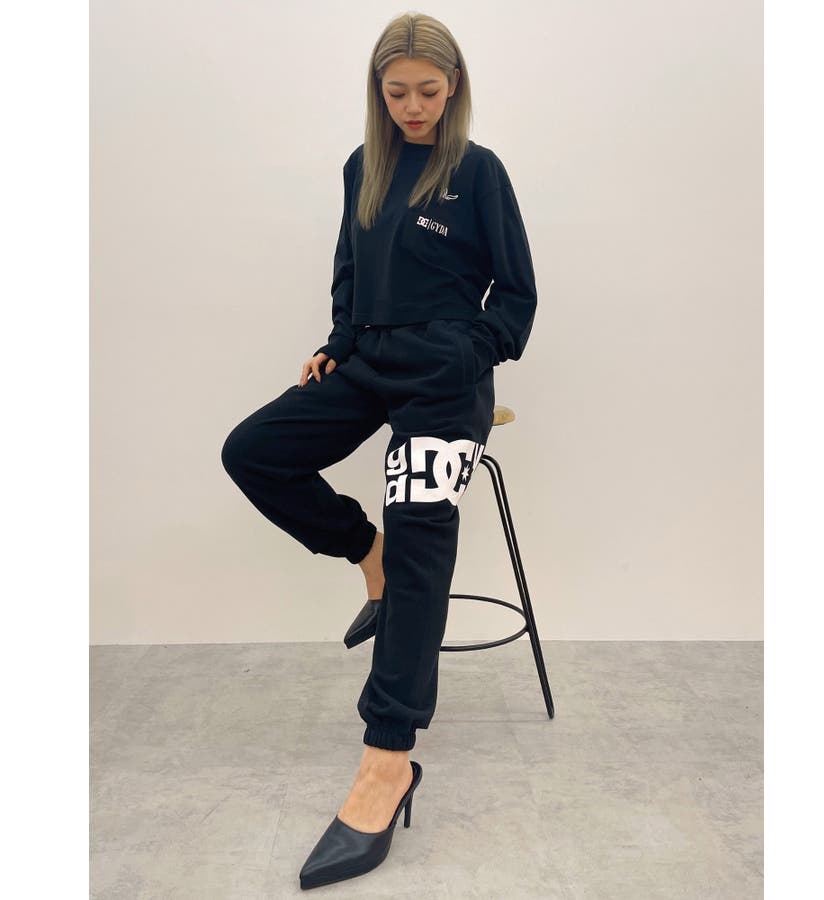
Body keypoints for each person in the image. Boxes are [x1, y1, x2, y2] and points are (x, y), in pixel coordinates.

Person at [220, 12, 538, 890]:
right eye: (396, 93)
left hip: (445, 378)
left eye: (428, 92)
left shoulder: (478, 172)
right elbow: (351, 268)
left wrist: (468, 352)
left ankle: (386, 761)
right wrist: (336, 341)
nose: (412, 107)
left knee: (425, 536)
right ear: (378, 92)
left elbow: (517, 295)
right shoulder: (362, 165)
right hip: (366, 360)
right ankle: (369, 553)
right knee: (253, 452)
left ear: (454, 87)